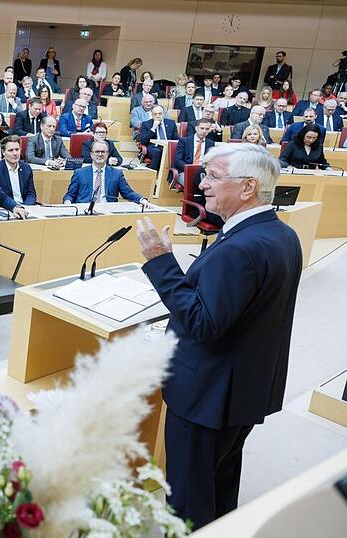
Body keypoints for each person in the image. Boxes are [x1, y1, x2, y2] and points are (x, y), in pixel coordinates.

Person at [135, 143, 302, 529]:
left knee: (189, 502)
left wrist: (162, 264)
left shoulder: (240, 248)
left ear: (248, 187)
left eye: (212, 176)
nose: (201, 185)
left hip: (206, 398)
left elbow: (204, 324)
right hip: (243, 394)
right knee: (220, 487)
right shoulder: (281, 234)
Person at [64, 141, 147, 204]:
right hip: (84, 210)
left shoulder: (117, 174)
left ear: (107, 154)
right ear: (91, 154)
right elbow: (70, 194)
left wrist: (141, 200)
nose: (100, 154)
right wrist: (67, 202)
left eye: (103, 152)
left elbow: (128, 193)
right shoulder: (79, 173)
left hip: (107, 210)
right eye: (97, 152)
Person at [0, 135, 37, 210]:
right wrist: (15, 208)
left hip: (26, 207)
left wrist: (26, 207)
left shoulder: (26, 168)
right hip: (6, 208)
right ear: (3, 152)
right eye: (11, 150)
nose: (15, 153)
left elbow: (31, 193)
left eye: (17, 149)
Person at [172, 119, 216, 185]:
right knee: (191, 182)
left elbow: (210, 162)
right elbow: (178, 160)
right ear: (196, 128)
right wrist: (191, 169)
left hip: (203, 173)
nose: (204, 131)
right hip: (184, 172)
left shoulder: (210, 143)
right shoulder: (184, 141)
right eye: (202, 128)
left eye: (207, 129)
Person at [140, 105, 179, 171]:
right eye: (155, 114)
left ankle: (171, 174)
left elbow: (176, 138)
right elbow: (143, 141)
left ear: (163, 114)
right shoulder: (146, 124)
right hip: (154, 147)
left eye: (160, 113)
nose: (158, 116)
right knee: (157, 152)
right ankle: (153, 173)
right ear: (152, 115)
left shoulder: (171, 123)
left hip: (168, 146)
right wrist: (153, 128)